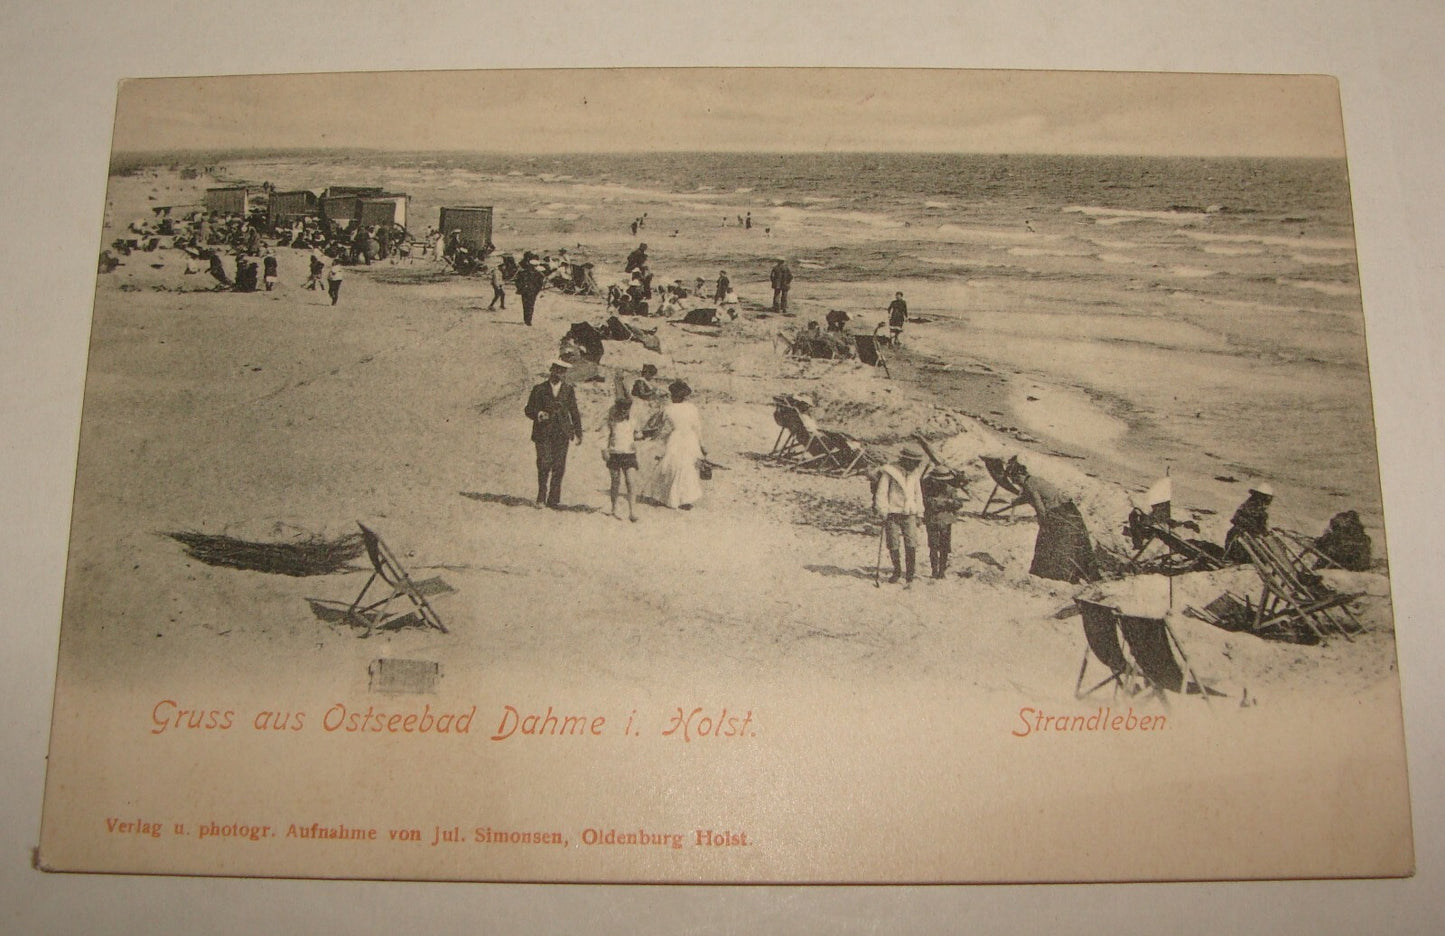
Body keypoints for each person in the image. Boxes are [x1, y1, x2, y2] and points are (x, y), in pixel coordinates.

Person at [1011, 463, 1101, 583]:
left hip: (1059, 515)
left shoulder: (1028, 485)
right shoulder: (1035, 480)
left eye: (1016, 479)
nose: (1016, 483)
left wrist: (1043, 523)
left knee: (1049, 544)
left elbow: (1039, 506)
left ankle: (1054, 576)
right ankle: (1085, 574)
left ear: (1021, 474)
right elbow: (1035, 495)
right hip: (1070, 511)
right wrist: (1017, 501)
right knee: (1076, 544)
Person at [524, 360, 584, 509]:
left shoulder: (568, 390)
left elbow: (574, 411)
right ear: (551, 370)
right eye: (557, 370)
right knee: (544, 463)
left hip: (562, 432)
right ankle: (541, 497)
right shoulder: (539, 389)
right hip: (543, 432)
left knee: (559, 466)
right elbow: (528, 409)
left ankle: (553, 500)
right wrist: (538, 414)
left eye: (563, 371)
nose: (560, 374)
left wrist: (578, 432)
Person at [645, 380, 706, 510]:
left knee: (671, 464)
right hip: (690, 439)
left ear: (674, 395)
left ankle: (667, 497)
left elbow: (658, 426)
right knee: (687, 466)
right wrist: (702, 444)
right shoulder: (692, 408)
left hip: (676, 438)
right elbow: (697, 428)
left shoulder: (668, 409)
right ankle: (685, 499)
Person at [873, 446, 927, 585]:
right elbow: (881, 493)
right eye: (914, 462)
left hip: (909, 513)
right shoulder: (890, 472)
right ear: (906, 460)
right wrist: (883, 510)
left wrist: (920, 512)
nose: (916, 465)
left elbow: (918, 494)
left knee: (911, 542)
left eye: (917, 463)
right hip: (892, 513)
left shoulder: (914, 474)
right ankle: (896, 571)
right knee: (893, 543)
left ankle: (910, 573)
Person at [921, 461, 968, 580]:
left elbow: (959, 503)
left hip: (946, 520)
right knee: (933, 546)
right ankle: (934, 571)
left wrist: (949, 503)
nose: (942, 482)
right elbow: (927, 503)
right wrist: (945, 503)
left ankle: (941, 571)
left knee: (945, 547)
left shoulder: (950, 489)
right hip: (932, 519)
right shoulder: (926, 488)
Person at [605, 396, 643, 522]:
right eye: (621, 409)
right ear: (617, 408)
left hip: (629, 454)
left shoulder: (633, 420)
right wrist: (604, 451)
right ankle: (614, 508)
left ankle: (633, 511)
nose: (624, 412)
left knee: (631, 482)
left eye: (626, 409)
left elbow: (637, 433)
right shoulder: (611, 421)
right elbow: (603, 436)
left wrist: (638, 436)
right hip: (614, 453)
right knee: (615, 481)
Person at [1224, 483, 1274, 563]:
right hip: (1241, 535)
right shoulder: (1253, 507)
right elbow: (1239, 519)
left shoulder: (1252, 505)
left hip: (1242, 534)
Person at [514, 254, 546, 326]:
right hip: (531, 292)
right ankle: (528, 320)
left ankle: (527, 320)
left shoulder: (523, 273)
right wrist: (536, 291)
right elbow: (540, 284)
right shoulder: (538, 274)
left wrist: (520, 288)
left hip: (526, 291)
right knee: (530, 305)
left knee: (526, 305)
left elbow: (517, 281)